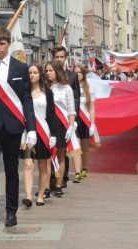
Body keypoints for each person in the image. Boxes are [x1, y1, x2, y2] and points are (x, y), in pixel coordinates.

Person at [0, 26, 36, 232]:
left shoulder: (20, 68)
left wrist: (32, 129)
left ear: (8, 44)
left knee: (11, 171)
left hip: (13, 127)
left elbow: (27, 101)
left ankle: (11, 212)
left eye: (2, 44)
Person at [20, 63, 57, 207]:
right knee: (28, 164)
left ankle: (41, 195)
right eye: (29, 73)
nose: (32, 75)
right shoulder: (23, 91)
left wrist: (53, 134)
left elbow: (52, 115)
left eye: (35, 72)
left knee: (42, 166)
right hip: (28, 132)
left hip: (43, 131)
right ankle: (28, 196)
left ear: (40, 74)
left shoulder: (47, 92)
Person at [50, 45, 81, 189]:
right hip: (51, 120)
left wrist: (73, 122)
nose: (59, 60)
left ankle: (63, 177)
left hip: (65, 119)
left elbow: (75, 99)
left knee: (64, 149)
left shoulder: (72, 76)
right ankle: (52, 178)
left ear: (65, 58)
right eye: (57, 57)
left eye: (62, 57)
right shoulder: (47, 76)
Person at [45, 60, 77, 196]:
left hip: (61, 124)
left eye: (50, 70)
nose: (48, 73)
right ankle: (45, 187)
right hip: (46, 123)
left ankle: (58, 185)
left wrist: (70, 127)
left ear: (57, 71)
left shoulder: (66, 88)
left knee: (60, 156)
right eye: (46, 71)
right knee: (46, 157)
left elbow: (71, 110)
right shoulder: (43, 87)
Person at [73, 64, 97, 181]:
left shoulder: (89, 88)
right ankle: (77, 172)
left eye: (79, 72)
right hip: (74, 120)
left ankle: (84, 168)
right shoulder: (70, 87)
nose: (77, 74)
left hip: (85, 120)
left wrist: (92, 124)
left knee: (84, 147)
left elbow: (92, 107)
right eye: (75, 72)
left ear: (83, 74)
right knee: (75, 145)